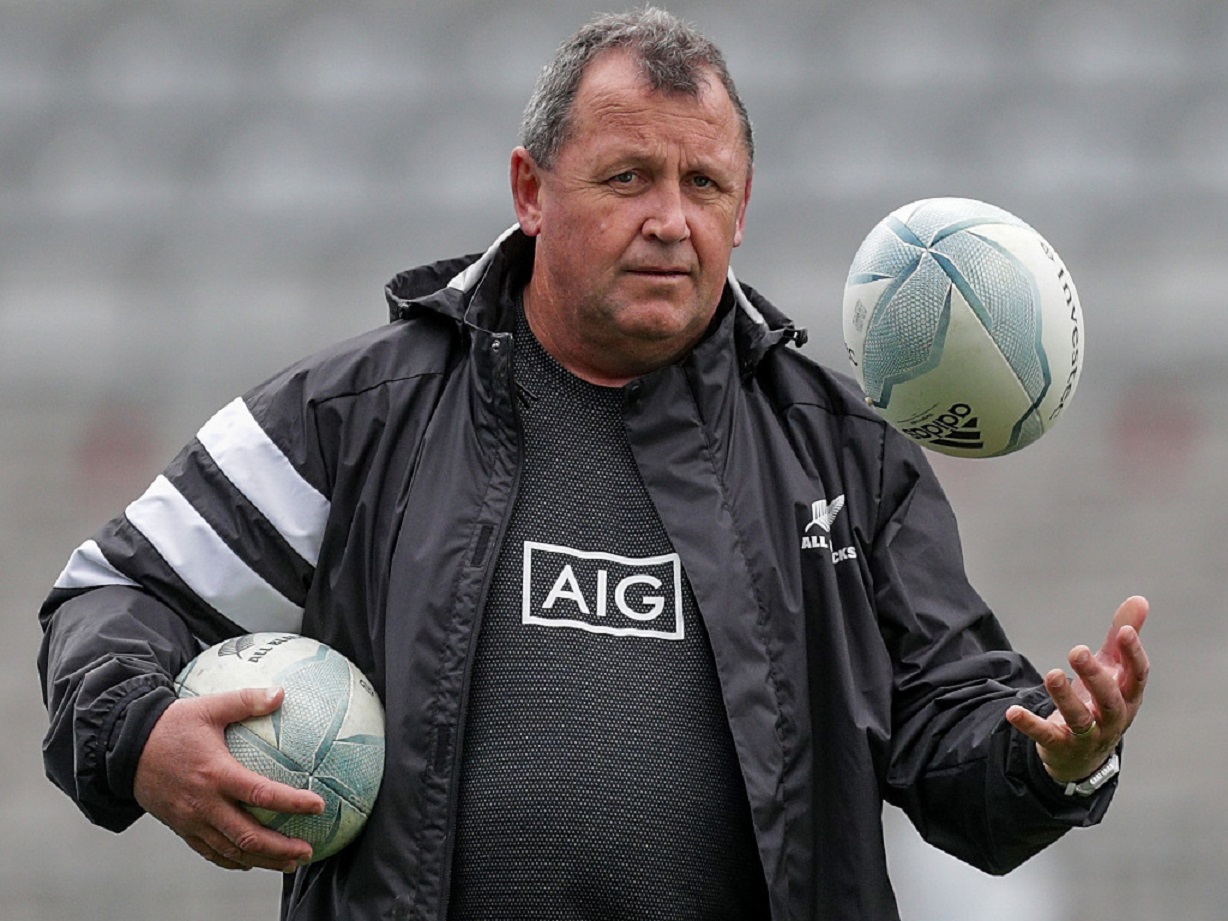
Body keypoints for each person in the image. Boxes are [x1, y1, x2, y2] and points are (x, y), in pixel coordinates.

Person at [38, 8, 1149, 921]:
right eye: (628, 179)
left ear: (742, 209)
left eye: (704, 186)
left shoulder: (845, 458)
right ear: (530, 189)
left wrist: (1054, 759)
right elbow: (118, 591)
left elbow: (953, 731)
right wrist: (136, 734)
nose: (671, 221)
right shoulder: (356, 415)